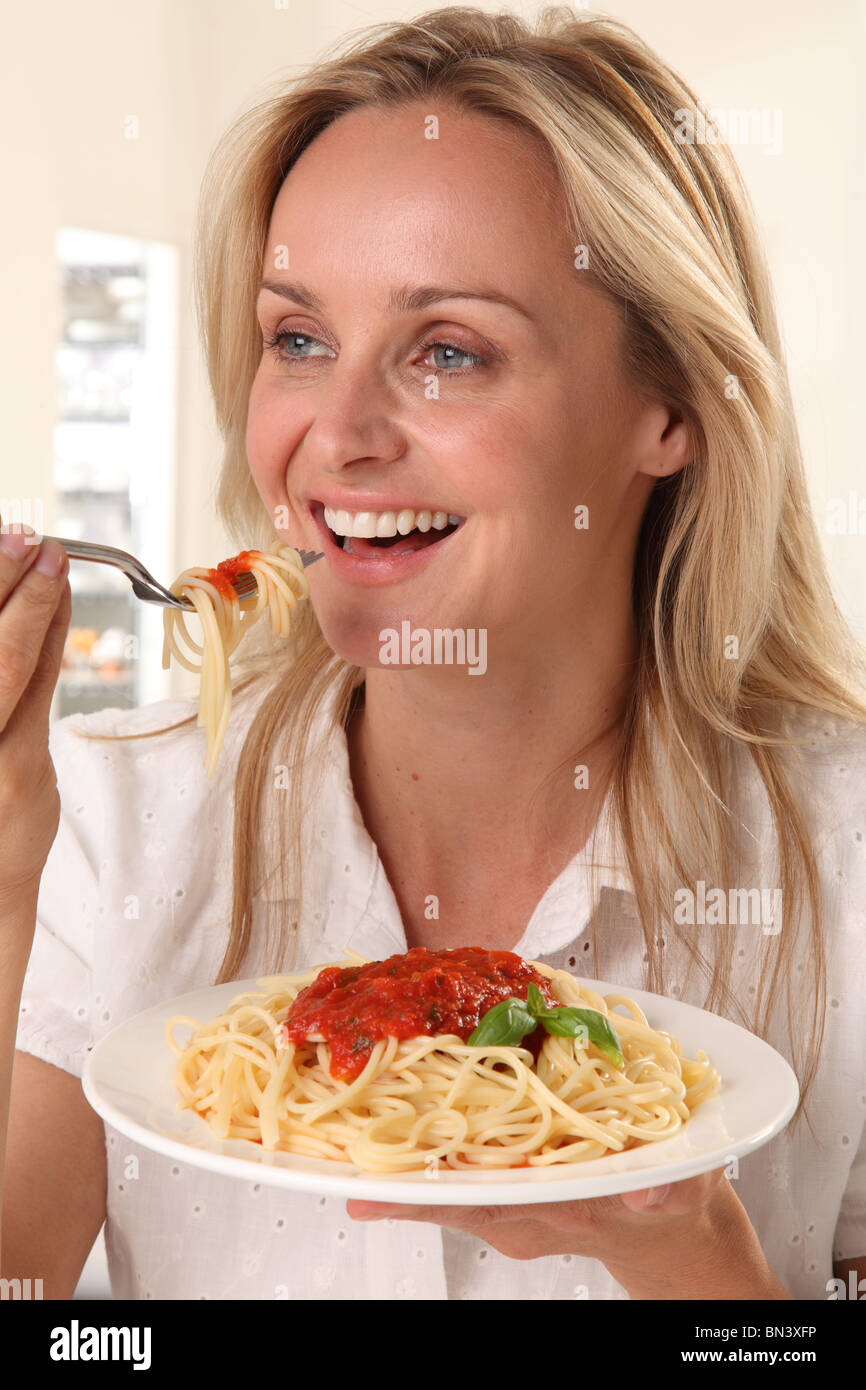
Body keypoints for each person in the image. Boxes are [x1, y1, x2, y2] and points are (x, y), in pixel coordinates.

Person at [2, 5, 866, 1301]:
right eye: (297, 338)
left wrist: (696, 1263)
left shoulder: (842, 852)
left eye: (447, 351)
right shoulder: (104, 822)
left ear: (670, 409)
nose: (333, 433)